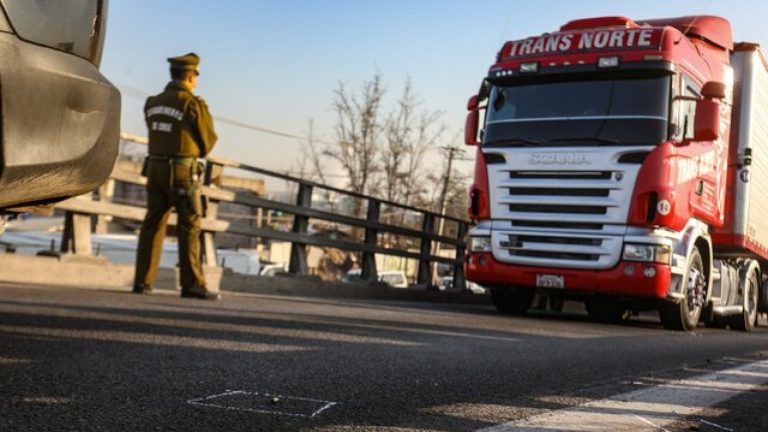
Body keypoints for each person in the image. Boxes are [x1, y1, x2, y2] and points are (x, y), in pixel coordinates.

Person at [133, 52, 218, 300]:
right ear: (191, 76)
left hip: (155, 169)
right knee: (189, 226)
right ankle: (192, 284)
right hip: (182, 172)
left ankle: (142, 281)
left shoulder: (152, 102)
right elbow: (207, 144)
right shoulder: (192, 105)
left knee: (152, 225)